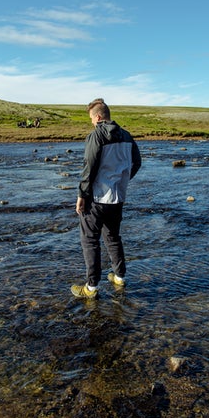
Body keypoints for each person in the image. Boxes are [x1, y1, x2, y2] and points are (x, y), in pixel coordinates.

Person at [72, 98, 142, 299]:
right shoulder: (127, 136)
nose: (92, 123)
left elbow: (89, 167)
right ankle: (119, 277)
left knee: (90, 240)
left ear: (99, 117)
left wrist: (82, 195)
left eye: (92, 119)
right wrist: (122, 181)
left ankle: (91, 288)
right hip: (118, 198)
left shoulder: (96, 136)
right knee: (113, 237)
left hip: (96, 198)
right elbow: (136, 163)